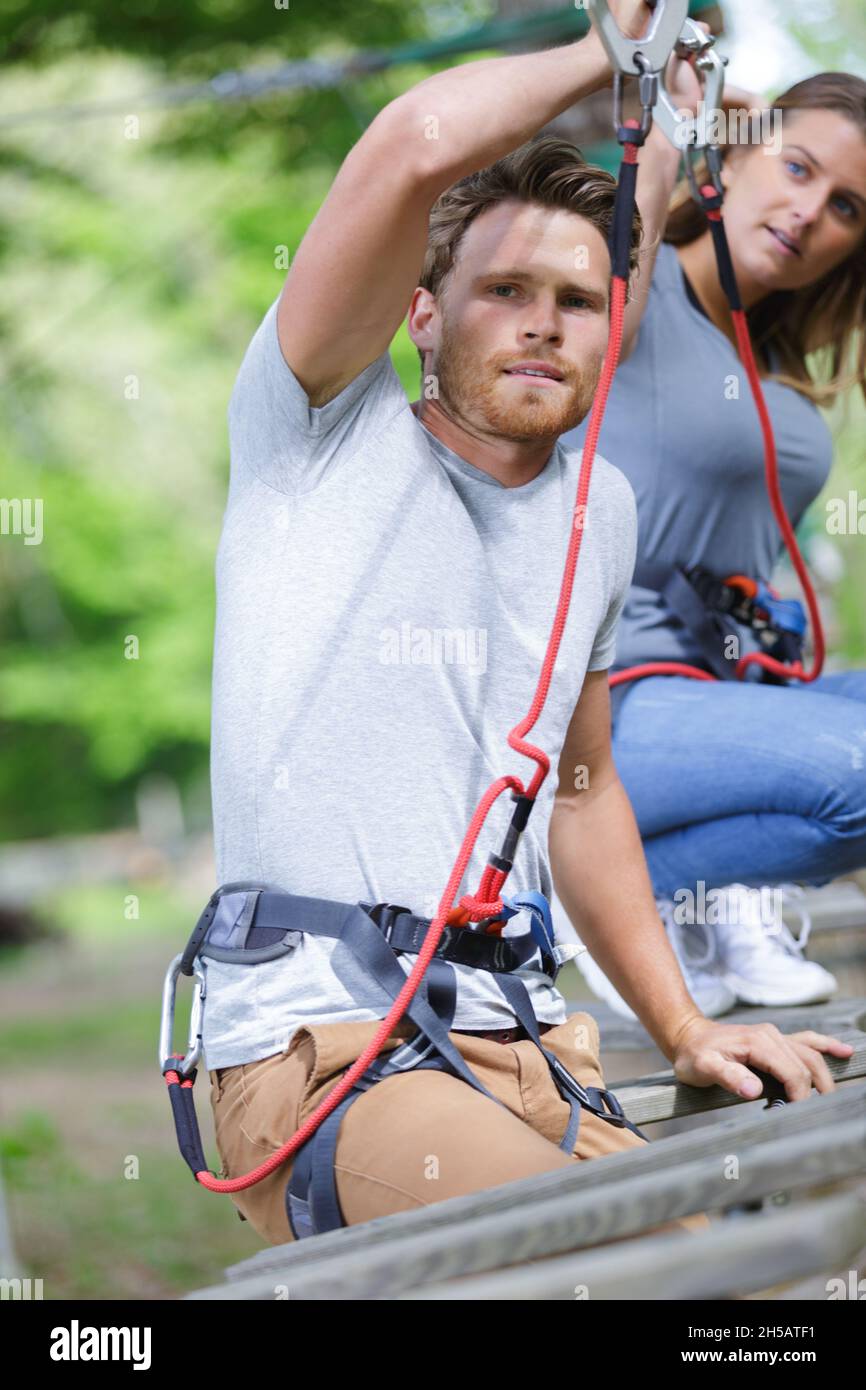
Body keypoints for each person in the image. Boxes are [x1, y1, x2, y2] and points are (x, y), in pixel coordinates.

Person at [203, 15, 853, 1247]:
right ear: (422, 318)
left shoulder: (593, 509)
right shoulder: (317, 436)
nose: (542, 321)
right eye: (502, 291)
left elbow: (585, 786)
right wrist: (601, 53)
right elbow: (407, 150)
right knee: (653, 1271)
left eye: (572, 298)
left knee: (763, 1288)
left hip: (528, 1047)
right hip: (323, 1050)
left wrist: (681, 1026)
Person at [560, 28, 866, 1019]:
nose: (806, 211)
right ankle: (603, 894)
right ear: (732, 151)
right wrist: (656, 98)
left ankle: (683, 888)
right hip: (609, 706)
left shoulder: (774, 368)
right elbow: (627, 225)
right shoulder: (636, 311)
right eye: (795, 166)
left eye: (844, 207)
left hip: (718, 688)